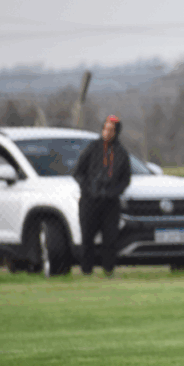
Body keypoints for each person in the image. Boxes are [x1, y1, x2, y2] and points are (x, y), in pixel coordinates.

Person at [73, 115, 131, 276]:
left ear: (117, 132)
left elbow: (125, 180)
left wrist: (114, 192)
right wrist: (88, 189)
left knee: (110, 238)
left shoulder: (121, 153)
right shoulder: (92, 148)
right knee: (87, 238)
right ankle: (86, 271)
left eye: (111, 130)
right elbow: (78, 173)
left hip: (110, 203)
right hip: (89, 201)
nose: (107, 133)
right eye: (105, 129)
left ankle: (108, 270)